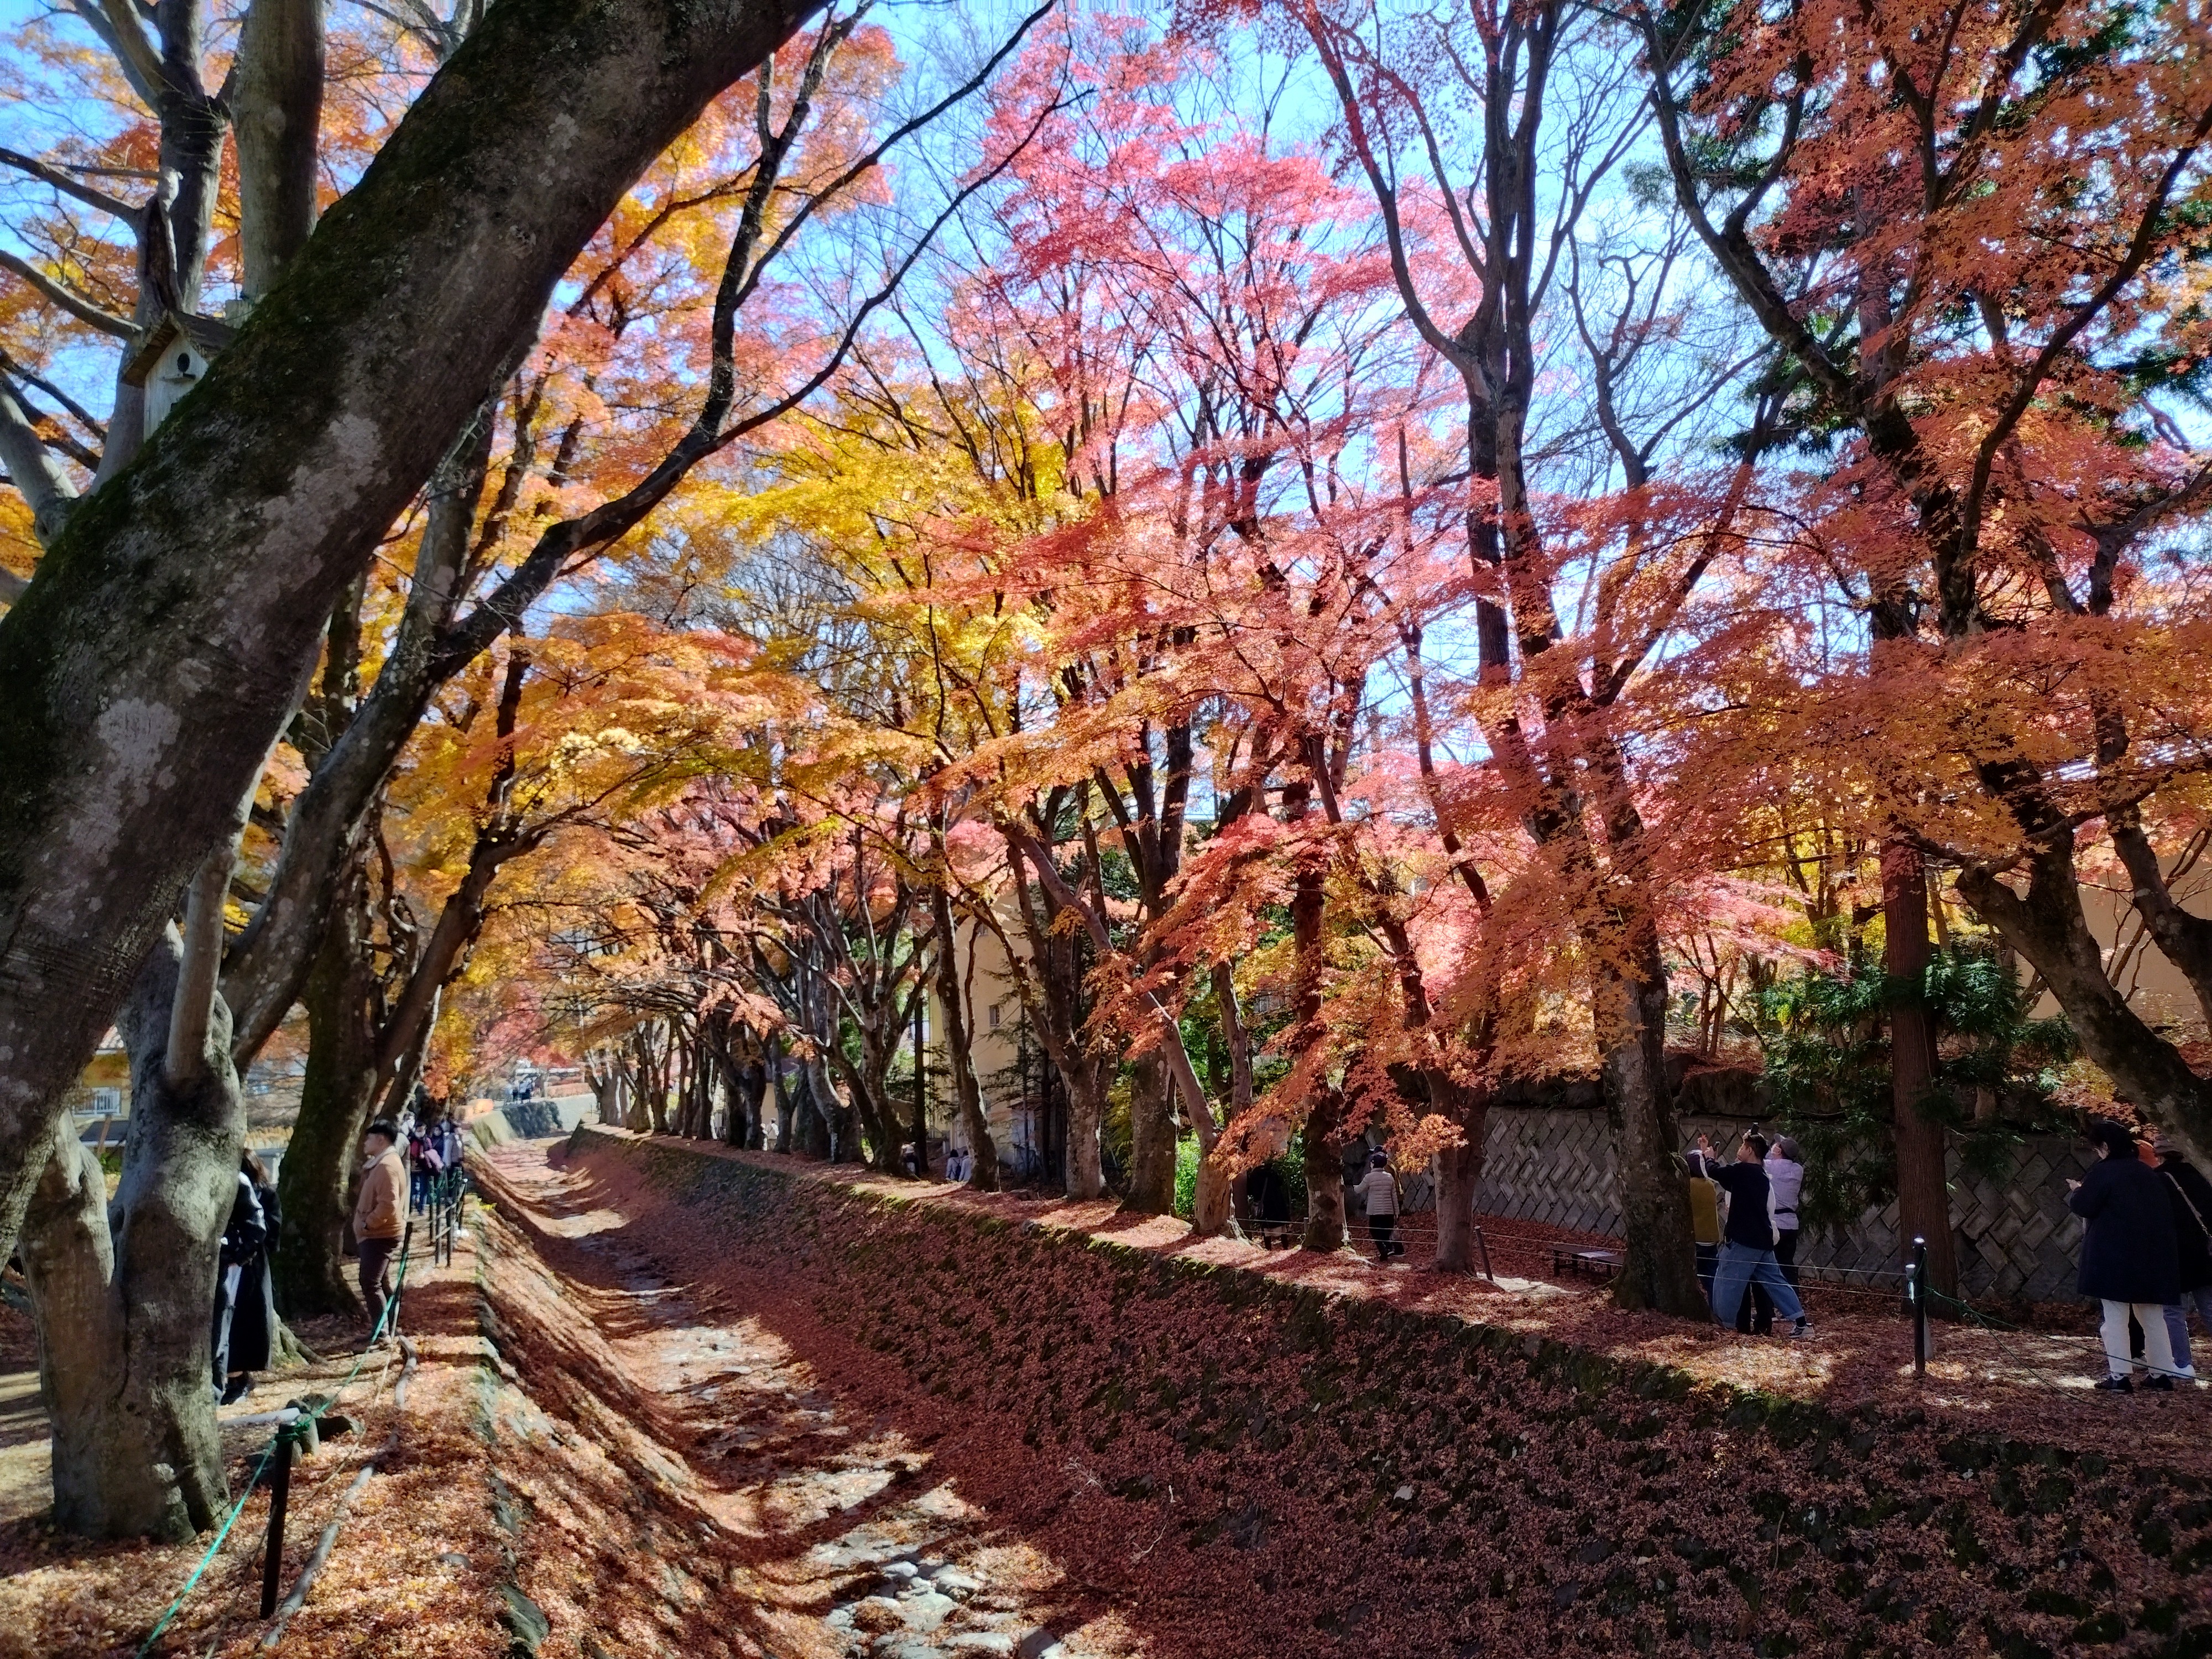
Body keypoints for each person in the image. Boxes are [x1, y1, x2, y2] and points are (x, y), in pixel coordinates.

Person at [2068, 1119, 2182, 1391]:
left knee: (2115, 1318)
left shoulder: (2104, 1173)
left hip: (2114, 1259)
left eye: (2097, 1148)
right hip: (2152, 1258)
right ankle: (2161, 1374)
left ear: (2105, 1146)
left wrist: (2076, 1192)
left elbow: (2085, 1206)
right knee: (2153, 1317)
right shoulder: (2149, 1174)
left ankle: (2120, 1376)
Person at [1698, 1131, 1812, 1339]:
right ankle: (1801, 1323)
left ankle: (1724, 1325)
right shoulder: (1762, 1176)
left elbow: (1714, 1171)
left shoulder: (1741, 1172)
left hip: (1743, 1240)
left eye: (1742, 1147)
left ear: (1750, 1150)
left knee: (1726, 1279)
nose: (1739, 1151)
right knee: (1776, 1282)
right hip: (1764, 1240)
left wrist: (1708, 1156)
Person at [211, 1151, 278, 1404]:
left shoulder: (264, 1193)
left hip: (249, 1266)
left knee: (243, 1325)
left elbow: (267, 1231)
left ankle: (238, 1379)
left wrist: (242, 1254)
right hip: (230, 1264)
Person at [2153, 1133, 2212, 1380]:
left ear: (2159, 1154)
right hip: (2204, 1251)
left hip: (2171, 1253)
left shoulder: (2156, 1180)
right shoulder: (2202, 1175)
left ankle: (2183, 1364)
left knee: (2173, 1311)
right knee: (2209, 1307)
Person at [353, 1120, 408, 1342]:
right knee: (380, 1283)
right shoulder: (382, 1163)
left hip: (380, 1235)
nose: (365, 1143)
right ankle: (390, 1326)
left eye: (369, 1138)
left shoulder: (386, 1166)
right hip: (378, 1234)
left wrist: (369, 1224)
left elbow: (388, 1203)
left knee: (370, 1282)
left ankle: (382, 1332)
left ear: (381, 1139)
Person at [1683, 1143, 1726, 1315]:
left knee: (1697, 1274)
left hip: (1697, 1237)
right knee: (1712, 1276)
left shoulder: (1689, 1185)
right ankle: (1717, 1309)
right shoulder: (1709, 1184)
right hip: (1711, 1237)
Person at [1765, 1135, 1806, 1290]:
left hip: (1774, 1224)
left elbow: (1759, 1160)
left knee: (1768, 1268)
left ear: (1779, 1150)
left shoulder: (1769, 1166)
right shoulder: (1798, 1170)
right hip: (1791, 1225)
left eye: (1777, 1145)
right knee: (1787, 1264)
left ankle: (1768, 1308)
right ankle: (1793, 1306)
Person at [1357, 1151, 1404, 1262]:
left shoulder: (1369, 1177)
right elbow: (1394, 1196)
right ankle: (1388, 1249)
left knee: (1374, 1231)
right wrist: (1396, 1212)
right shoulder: (1389, 1177)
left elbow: (1359, 1189)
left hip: (1375, 1211)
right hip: (1389, 1210)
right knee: (1386, 1232)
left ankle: (1384, 1250)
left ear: (1373, 1163)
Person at [1246, 1161, 1292, 1249]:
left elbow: (1250, 1191)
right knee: (1282, 1227)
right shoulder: (1271, 1172)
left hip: (1264, 1205)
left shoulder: (1254, 1175)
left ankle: (1268, 1248)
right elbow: (1280, 1182)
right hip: (1277, 1204)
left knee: (1266, 1228)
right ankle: (1285, 1246)